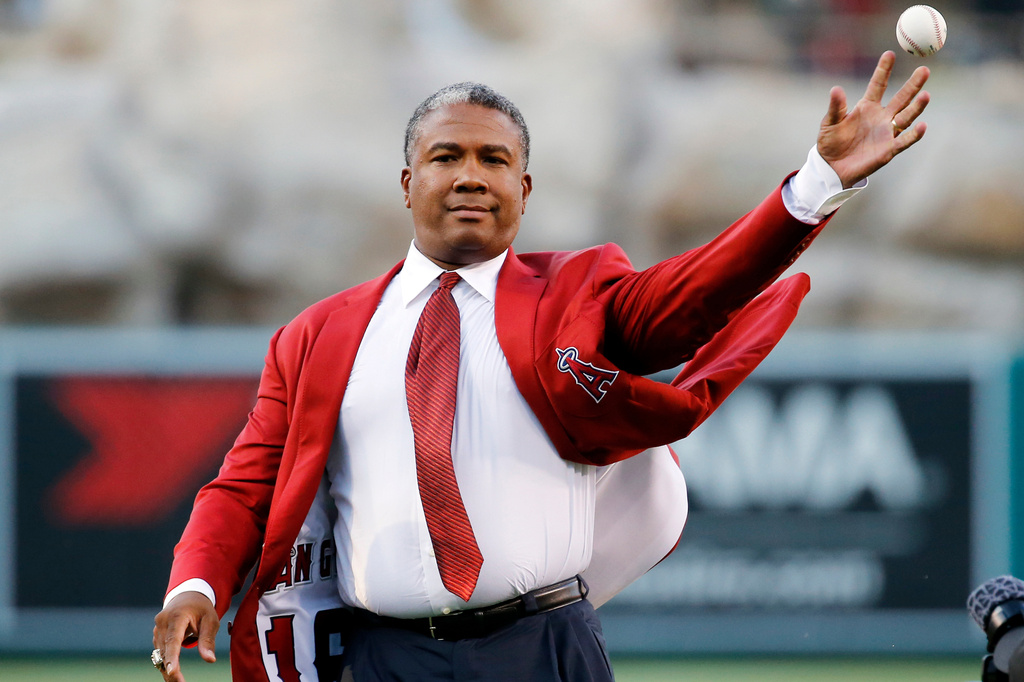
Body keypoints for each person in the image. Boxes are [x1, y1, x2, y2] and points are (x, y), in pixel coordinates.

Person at [153, 51, 930, 682]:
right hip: (382, 655)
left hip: (543, 648)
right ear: (408, 183)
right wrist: (195, 583)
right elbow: (244, 484)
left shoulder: (576, 293)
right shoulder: (316, 335)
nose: (470, 175)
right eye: (446, 156)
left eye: (493, 159)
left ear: (522, 191)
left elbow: (693, 293)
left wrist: (815, 187)